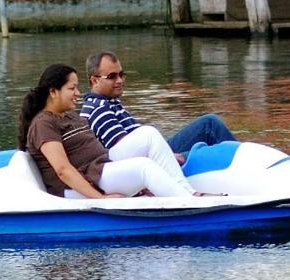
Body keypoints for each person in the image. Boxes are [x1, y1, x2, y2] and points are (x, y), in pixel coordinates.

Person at [17, 63, 198, 199]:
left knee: (148, 134)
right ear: (53, 92)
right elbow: (63, 170)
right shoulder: (43, 123)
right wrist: (101, 199)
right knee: (143, 166)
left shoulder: (69, 116)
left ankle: (190, 193)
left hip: (101, 166)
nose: (78, 93)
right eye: (72, 88)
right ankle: (187, 204)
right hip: (86, 180)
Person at [80, 50, 236, 160]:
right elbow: (127, 152)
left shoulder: (107, 101)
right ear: (94, 81)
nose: (120, 81)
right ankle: (241, 161)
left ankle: (240, 157)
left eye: (121, 74)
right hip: (151, 159)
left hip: (154, 151)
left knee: (209, 124)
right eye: (112, 76)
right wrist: (168, 157)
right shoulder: (99, 109)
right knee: (211, 138)